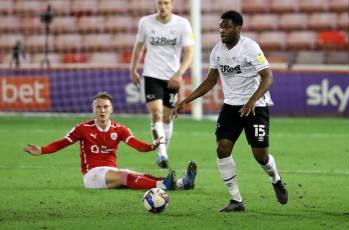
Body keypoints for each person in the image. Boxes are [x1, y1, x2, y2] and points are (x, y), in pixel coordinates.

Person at [172, 10, 288, 212]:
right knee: (222, 148)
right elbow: (210, 81)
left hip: (256, 107)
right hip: (231, 106)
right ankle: (236, 200)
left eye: (226, 27)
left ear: (238, 28)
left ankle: (276, 179)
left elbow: (268, 76)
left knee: (260, 155)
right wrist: (186, 100)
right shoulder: (217, 51)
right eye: (220, 27)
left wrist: (252, 100)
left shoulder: (250, 48)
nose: (222, 31)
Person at [24, 92, 197, 191]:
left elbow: (137, 145)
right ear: (93, 109)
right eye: (98, 107)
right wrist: (42, 150)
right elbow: (62, 143)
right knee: (125, 176)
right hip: (92, 176)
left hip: (110, 171)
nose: (102, 110)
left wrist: (152, 146)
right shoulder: (82, 129)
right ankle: (164, 185)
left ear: (111, 109)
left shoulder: (120, 129)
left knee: (139, 175)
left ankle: (182, 183)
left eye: (105, 107)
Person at [130, 0, 194, 168]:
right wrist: (133, 69)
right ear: (156, 5)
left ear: (172, 5)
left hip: (172, 77)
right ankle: (162, 153)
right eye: (160, 3)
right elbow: (138, 47)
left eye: (166, 3)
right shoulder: (145, 22)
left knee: (167, 117)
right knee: (156, 114)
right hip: (151, 74)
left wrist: (179, 73)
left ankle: (163, 148)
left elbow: (189, 52)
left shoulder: (182, 24)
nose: (163, 6)